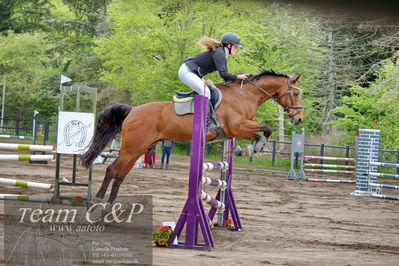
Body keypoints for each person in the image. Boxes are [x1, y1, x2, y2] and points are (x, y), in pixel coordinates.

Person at [178, 32, 247, 133]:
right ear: (229, 45)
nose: (237, 49)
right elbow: (224, 75)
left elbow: (226, 78)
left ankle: (212, 119)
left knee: (212, 91)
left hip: (193, 72)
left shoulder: (222, 53)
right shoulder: (220, 53)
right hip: (187, 71)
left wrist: (240, 77)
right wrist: (238, 76)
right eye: (236, 46)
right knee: (206, 92)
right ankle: (205, 123)